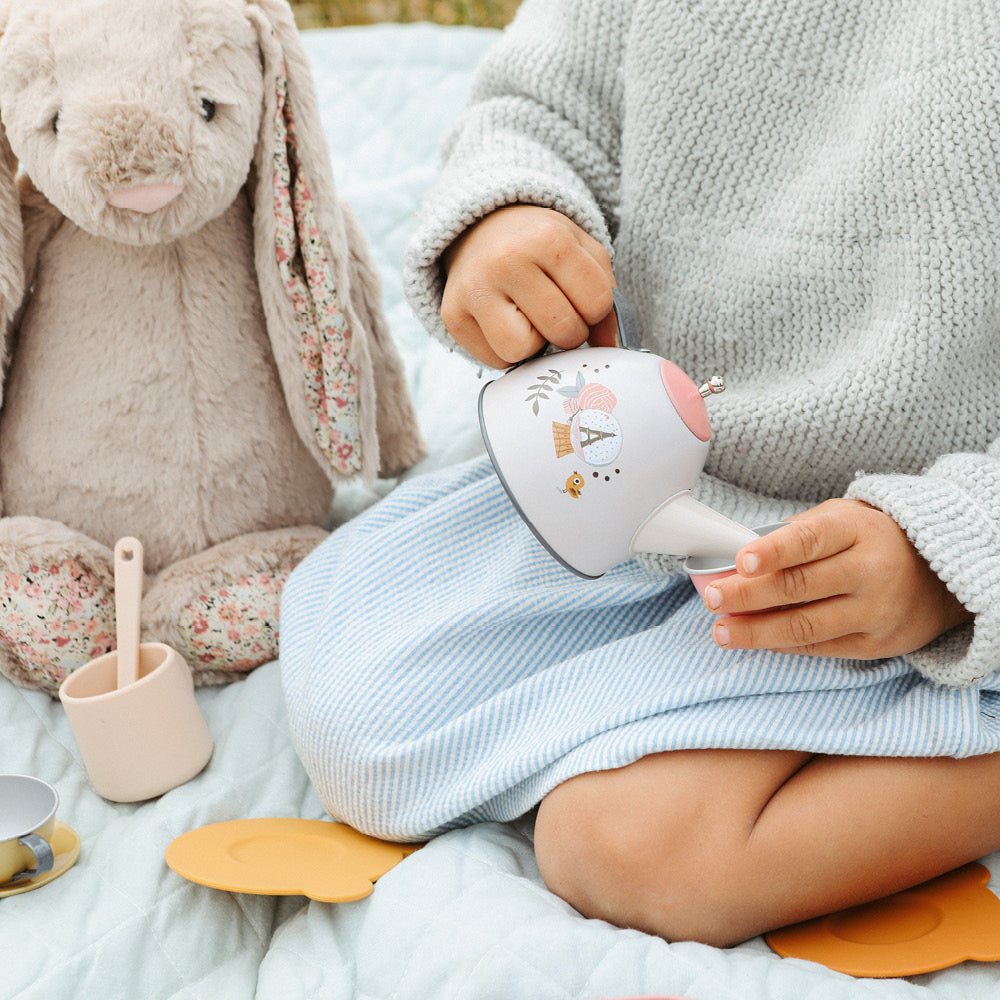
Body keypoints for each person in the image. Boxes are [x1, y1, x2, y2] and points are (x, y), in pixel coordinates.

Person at [280, 0, 1000, 947]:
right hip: (646, 483)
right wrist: (506, 224)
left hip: (905, 567)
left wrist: (949, 559)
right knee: (358, 705)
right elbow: (537, 110)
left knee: (632, 850)